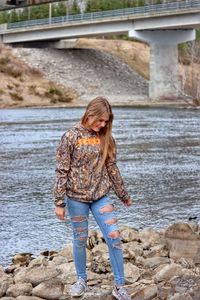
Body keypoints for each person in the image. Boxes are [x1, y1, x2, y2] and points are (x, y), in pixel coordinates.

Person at [53, 96, 133, 300]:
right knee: (80, 240)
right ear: (90, 115)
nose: (103, 124)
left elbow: (112, 168)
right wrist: (59, 202)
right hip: (76, 199)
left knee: (114, 237)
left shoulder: (106, 138)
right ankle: (81, 280)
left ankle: (119, 286)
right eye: (101, 120)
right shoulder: (70, 136)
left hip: (100, 196)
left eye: (106, 121)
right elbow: (62, 170)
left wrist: (123, 194)